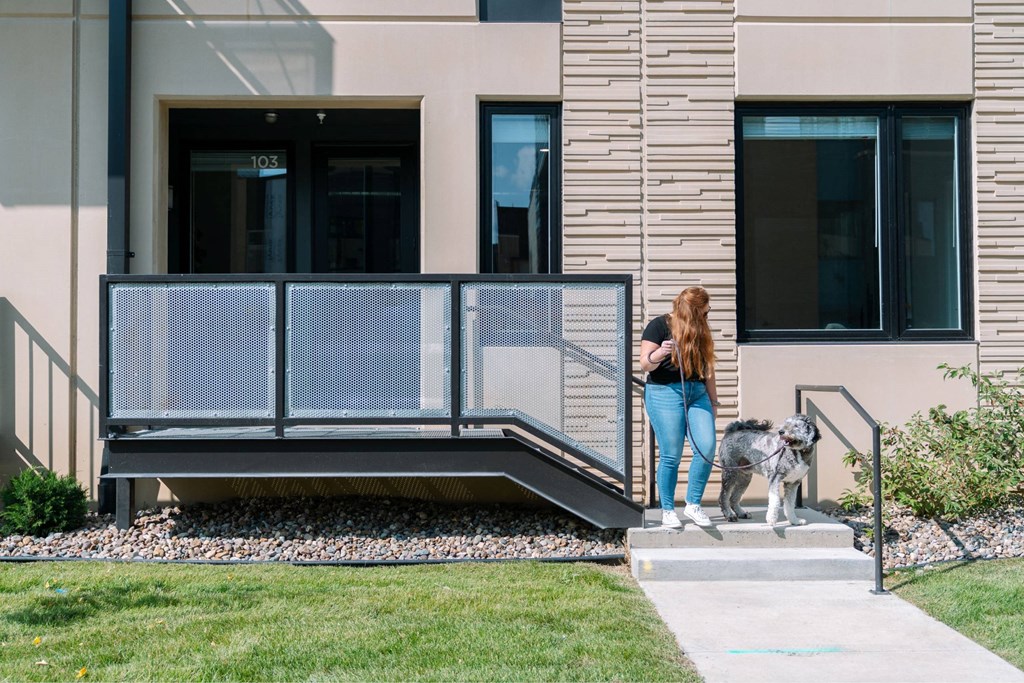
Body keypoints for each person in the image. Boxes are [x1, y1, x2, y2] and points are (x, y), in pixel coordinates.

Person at [640, 286, 720, 528]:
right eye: (704, 313)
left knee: (706, 447)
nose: (706, 316)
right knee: (671, 454)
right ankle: (667, 510)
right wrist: (659, 354)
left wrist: (714, 401)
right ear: (692, 311)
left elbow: (708, 368)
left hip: (697, 393)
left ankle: (693, 505)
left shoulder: (701, 330)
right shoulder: (659, 326)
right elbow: (645, 364)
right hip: (665, 392)